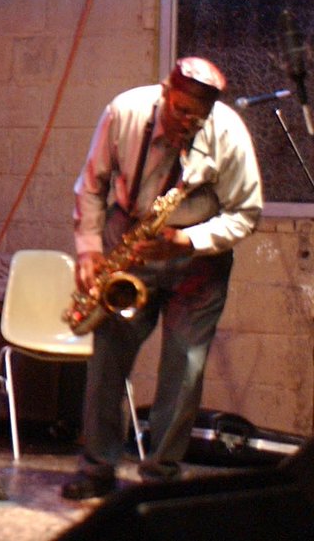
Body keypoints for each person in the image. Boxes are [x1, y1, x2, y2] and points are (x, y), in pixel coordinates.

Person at [60, 57, 263, 500]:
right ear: (165, 93)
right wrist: (90, 250)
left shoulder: (228, 135)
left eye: (198, 117)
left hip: (197, 257)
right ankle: (96, 470)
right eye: (180, 111)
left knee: (182, 371)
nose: (187, 124)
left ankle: (160, 480)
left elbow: (247, 214)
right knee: (107, 362)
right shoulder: (125, 112)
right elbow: (92, 185)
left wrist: (187, 241)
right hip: (130, 238)